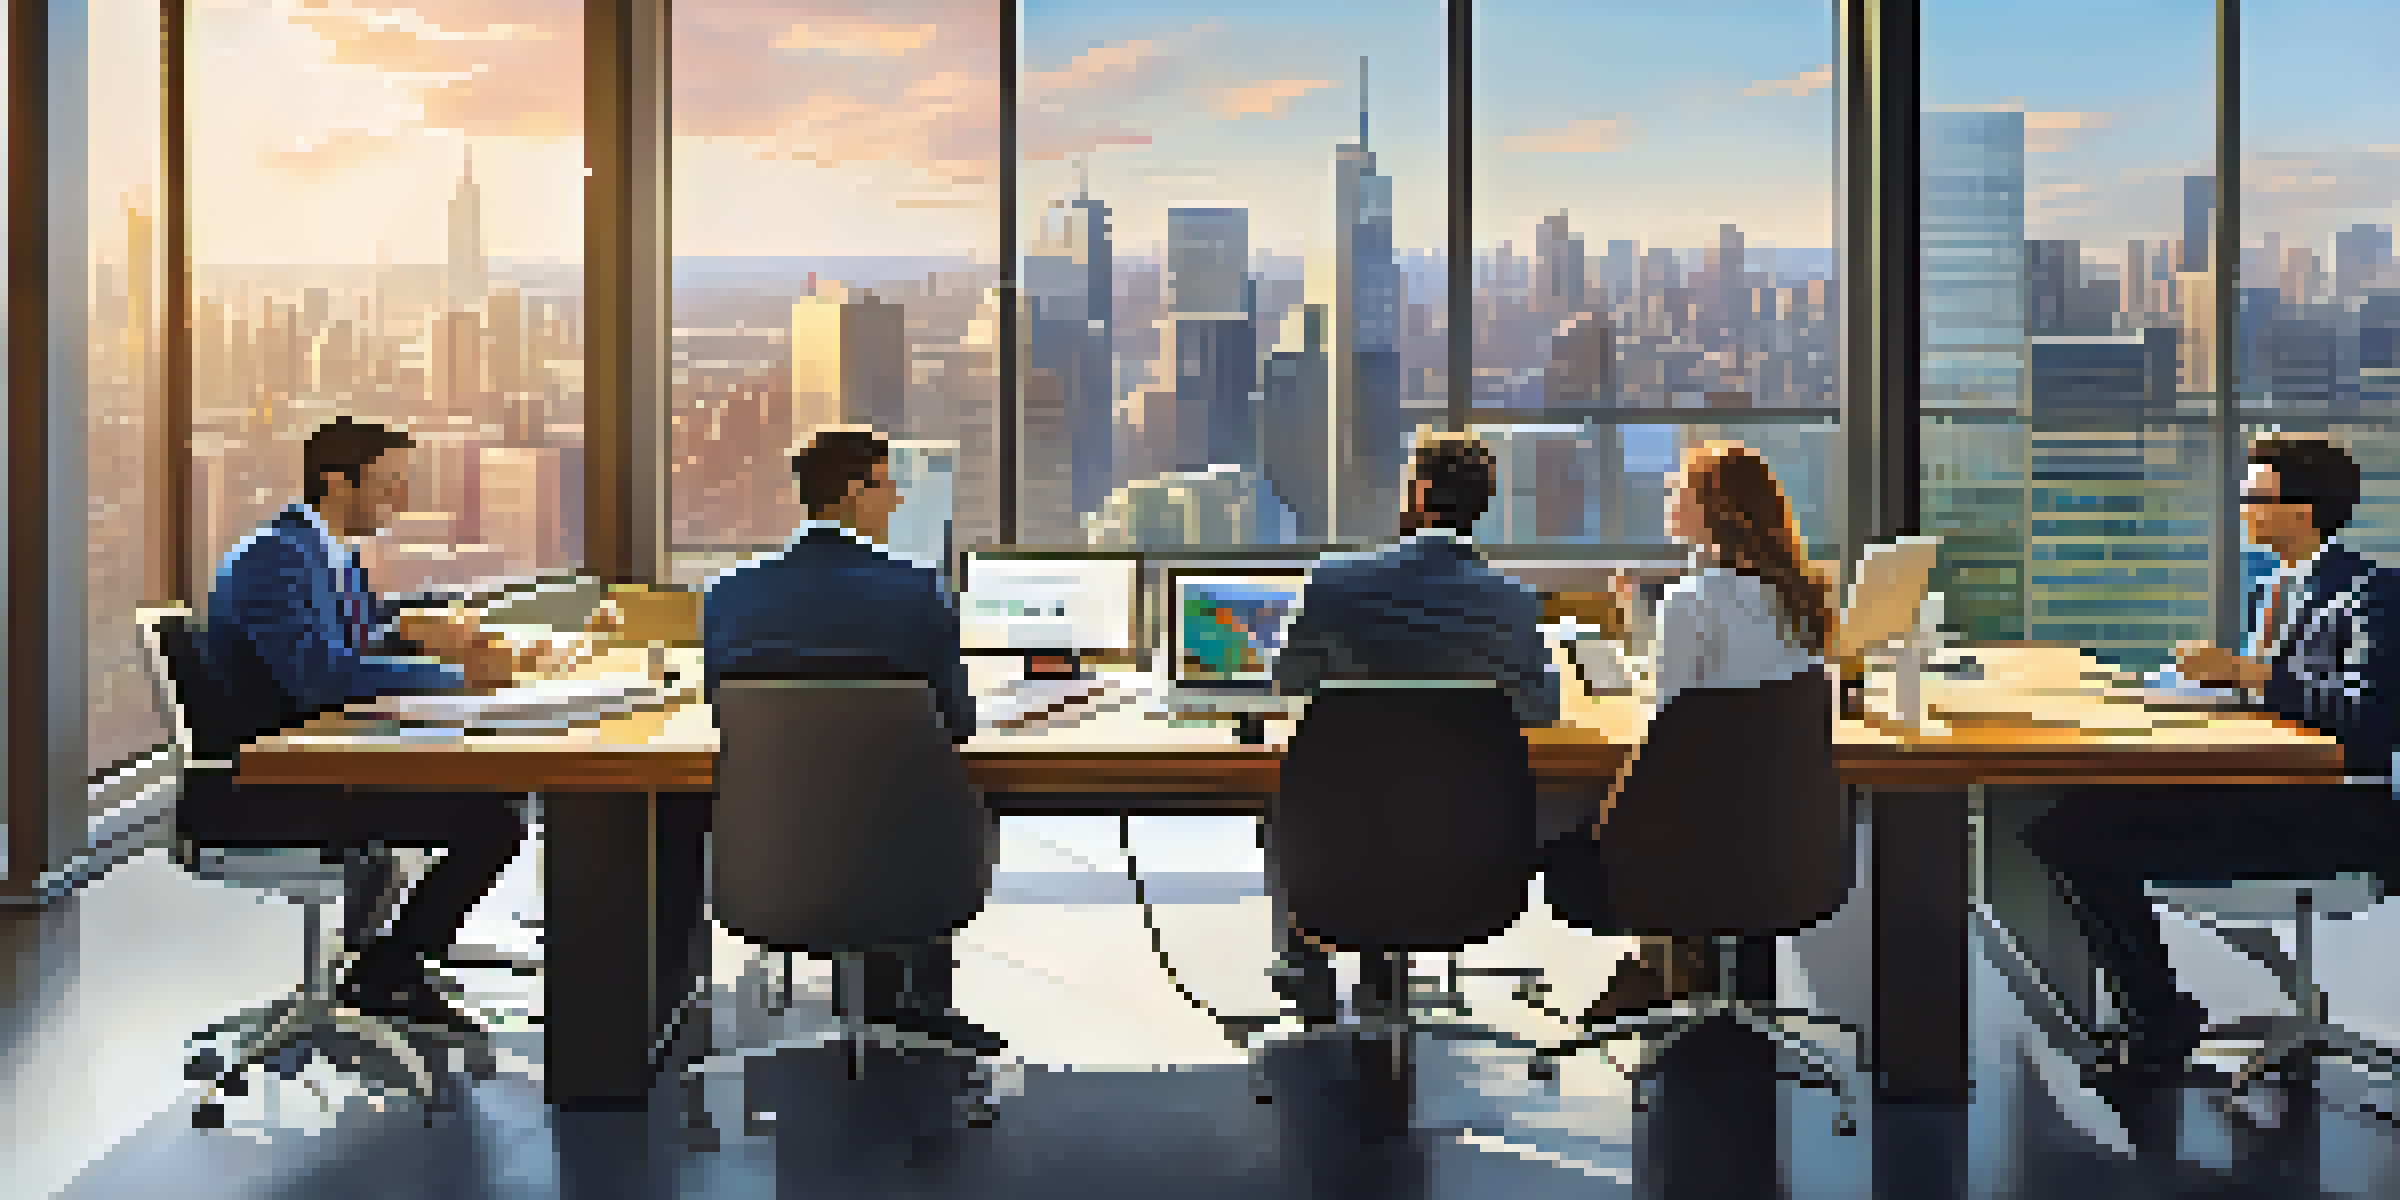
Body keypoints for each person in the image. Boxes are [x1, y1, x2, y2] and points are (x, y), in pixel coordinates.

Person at [2021, 434, 2400, 1090]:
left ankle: (2160, 1023)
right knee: (2072, 822)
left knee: (2077, 833)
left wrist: (2248, 674)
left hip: (2337, 814)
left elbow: (2367, 721)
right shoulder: (2276, 587)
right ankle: (2157, 1015)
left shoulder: (2372, 592)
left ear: (2303, 511)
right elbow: (2283, 700)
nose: (2245, 508)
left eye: (2257, 497)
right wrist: (2202, 690)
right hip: (2272, 792)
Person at [188, 416, 542, 1034]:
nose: (400, 501)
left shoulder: (323, 552)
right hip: (276, 786)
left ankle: (394, 954)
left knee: (497, 796)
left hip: (320, 754)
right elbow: (322, 679)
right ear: (336, 482)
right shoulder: (278, 562)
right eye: (387, 486)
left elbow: (366, 634)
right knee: (492, 820)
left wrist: (431, 636)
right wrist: (458, 680)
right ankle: (388, 970)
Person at [701, 426, 999, 1055]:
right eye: (888, 485)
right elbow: (959, 726)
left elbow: (722, 713)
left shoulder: (730, 592)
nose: (894, 501)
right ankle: (912, 1003)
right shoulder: (914, 590)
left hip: (770, 859)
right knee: (919, 800)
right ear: (857, 489)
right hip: (906, 862)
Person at [1266, 433, 1561, 1024]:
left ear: (1420, 492)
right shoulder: (1513, 602)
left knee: (1293, 804)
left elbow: (1290, 680)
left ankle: (1308, 970)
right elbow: (1539, 707)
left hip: (1342, 842)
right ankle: (1379, 976)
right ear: (1485, 502)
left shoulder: (1336, 582)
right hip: (1466, 850)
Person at [1563, 440, 1838, 1024]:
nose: (1667, 492)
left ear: (1714, 508)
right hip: (1786, 848)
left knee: (1587, 810)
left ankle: (1658, 964)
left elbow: (1671, 726)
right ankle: (1668, 966)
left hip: (1689, 849)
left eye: (1678, 487)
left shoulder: (1690, 602)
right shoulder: (1799, 595)